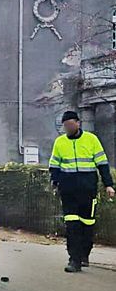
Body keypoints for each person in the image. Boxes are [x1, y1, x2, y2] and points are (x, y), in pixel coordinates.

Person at [49, 111, 115, 273]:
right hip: (68, 190)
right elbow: (54, 165)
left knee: (87, 224)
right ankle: (74, 260)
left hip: (88, 190)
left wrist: (108, 185)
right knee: (72, 225)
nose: (69, 127)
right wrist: (55, 182)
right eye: (66, 126)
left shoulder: (91, 140)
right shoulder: (59, 142)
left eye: (71, 124)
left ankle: (84, 254)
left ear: (78, 123)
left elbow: (102, 164)